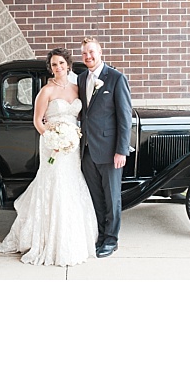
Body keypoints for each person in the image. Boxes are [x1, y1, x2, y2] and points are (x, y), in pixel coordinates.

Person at [0, 48, 97, 266]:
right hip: (53, 145)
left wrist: (70, 138)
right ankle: (47, 240)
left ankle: (73, 238)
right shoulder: (46, 91)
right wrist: (53, 139)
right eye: (53, 65)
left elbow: (81, 116)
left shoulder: (77, 89)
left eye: (61, 63)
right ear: (50, 68)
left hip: (72, 146)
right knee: (55, 184)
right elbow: (38, 121)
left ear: (68, 65)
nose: (58, 68)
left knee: (71, 184)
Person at [78, 35, 132, 258]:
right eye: (84, 53)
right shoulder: (81, 79)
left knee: (112, 197)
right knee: (95, 196)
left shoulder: (116, 78)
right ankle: (100, 234)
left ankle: (111, 239)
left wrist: (122, 150)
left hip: (110, 151)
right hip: (87, 149)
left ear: (100, 53)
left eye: (91, 52)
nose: (88, 56)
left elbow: (125, 117)